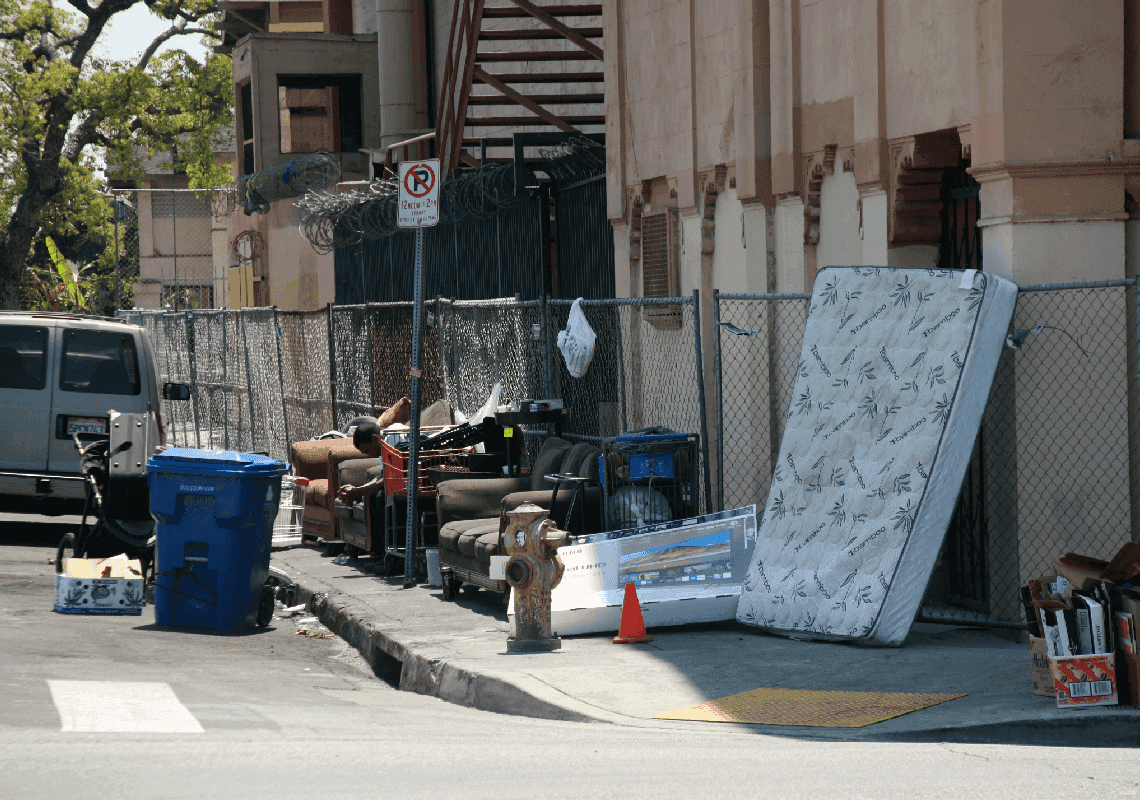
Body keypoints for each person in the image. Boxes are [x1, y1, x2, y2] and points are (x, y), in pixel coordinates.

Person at [335, 420, 386, 504]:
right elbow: (383, 475)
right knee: (370, 495)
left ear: (375, 438)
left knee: (379, 496)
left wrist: (359, 491)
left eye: (368, 450)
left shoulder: (393, 437)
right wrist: (357, 489)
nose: (370, 455)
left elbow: (389, 478)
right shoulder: (383, 444)